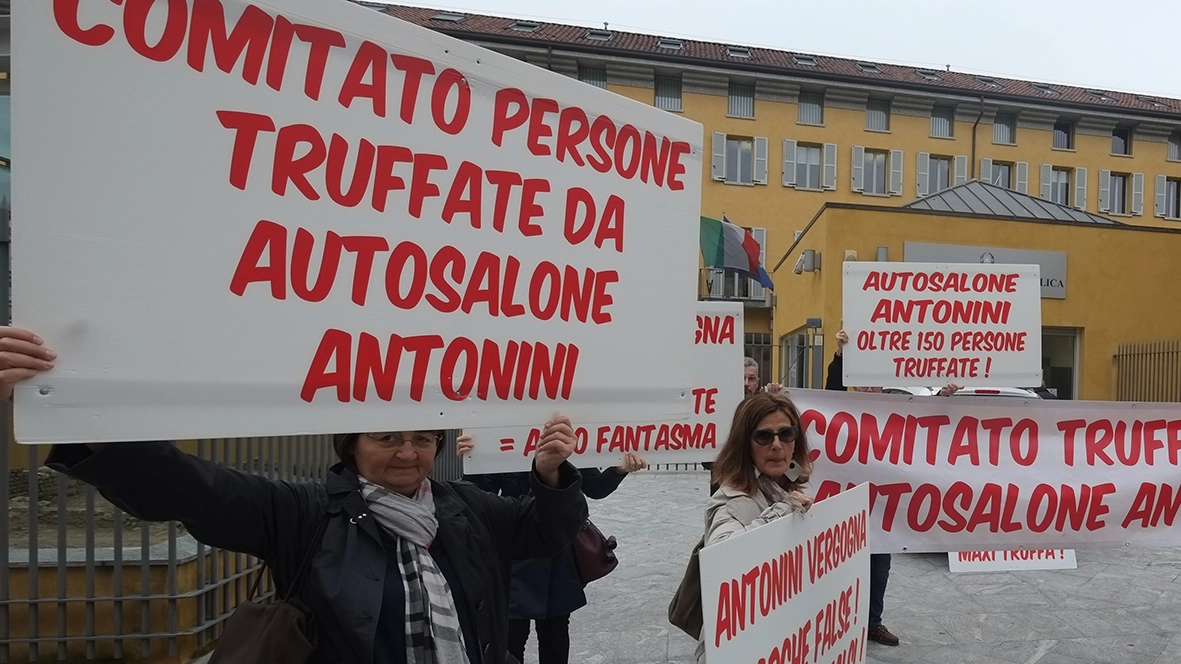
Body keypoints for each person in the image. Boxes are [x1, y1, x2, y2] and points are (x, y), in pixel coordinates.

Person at [0, 326, 589, 664]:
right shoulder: (302, 511)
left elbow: (543, 532)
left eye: (422, 438)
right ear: (350, 444)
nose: (408, 453)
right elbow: (186, 488)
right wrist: (68, 413)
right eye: (386, 437)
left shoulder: (465, 507)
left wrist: (550, 474)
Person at [457, 437, 646, 664]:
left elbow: (594, 487)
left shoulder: (565, 439)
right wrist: (473, 461)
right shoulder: (505, 438)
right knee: (511, 635)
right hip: (516, 547)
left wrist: (619, 470)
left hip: (557, 547)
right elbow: (481, 492)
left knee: (555, 631)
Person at [825, 328, 958, 647]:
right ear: (853, 381)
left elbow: (923, 420)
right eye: (863, 379)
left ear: (883, 383)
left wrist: (943, 396)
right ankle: (835, 623)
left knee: (879, 567)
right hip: (843, 502)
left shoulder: (895, 410)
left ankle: (872, 623)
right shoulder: (838, 404)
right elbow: (829, 388)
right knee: (839, 566)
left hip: (880, 506)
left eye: (874, 380)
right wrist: (841, 354)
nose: (869, 386)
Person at [696, 392, 814, 662]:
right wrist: (784, 512)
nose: (777, 445)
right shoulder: (730, 501)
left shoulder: (785, 482)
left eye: (786, 434)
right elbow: (723, 557)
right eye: (763, 436)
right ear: (744, 444)